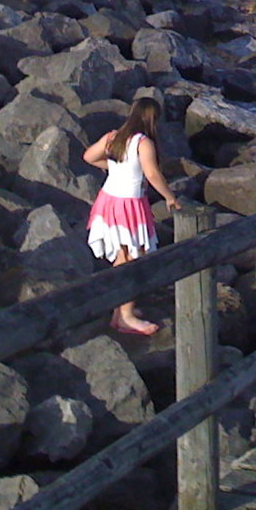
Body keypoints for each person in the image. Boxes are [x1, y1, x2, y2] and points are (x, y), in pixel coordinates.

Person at [84, 97, 179, 335]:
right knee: (133, 259)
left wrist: (116, 168)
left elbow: (88, 157)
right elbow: (153, 174)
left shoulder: (114, 137)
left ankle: (120, 312)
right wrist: (169, 197)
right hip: (128, 205)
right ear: (152, 119)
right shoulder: (143, 143)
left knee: (123, 256)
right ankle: (125, 317)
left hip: (108, 201)